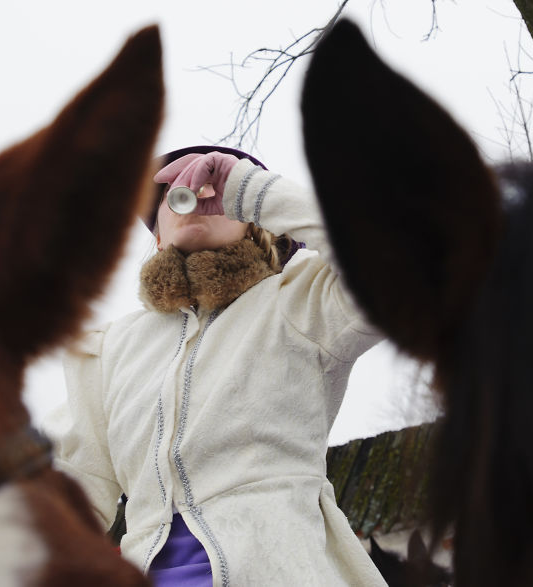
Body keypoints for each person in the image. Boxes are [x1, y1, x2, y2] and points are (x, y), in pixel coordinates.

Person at [47, 145, 387, 586]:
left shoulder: (301, 302)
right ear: (157, 236)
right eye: (173, 191)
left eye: (216, 186)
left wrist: (251, 188)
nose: (197, 190)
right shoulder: (110, 349)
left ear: (256, 220)